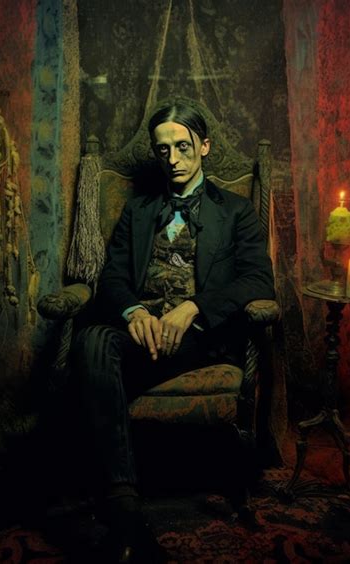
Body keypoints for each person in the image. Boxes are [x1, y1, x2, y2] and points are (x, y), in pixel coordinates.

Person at [72, 101, 275, 562]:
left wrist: (194, 307)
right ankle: (125, 511)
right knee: (92, 339)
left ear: (204, 147)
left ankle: (110, 509)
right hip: (142, 335)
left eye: (183, 147)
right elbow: (112, 277)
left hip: (201, 338)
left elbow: (258, 281)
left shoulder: (237, 211)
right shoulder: (138, 210)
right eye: (163, 150)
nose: (173, 159)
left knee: (87, 379)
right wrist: (133, 313)